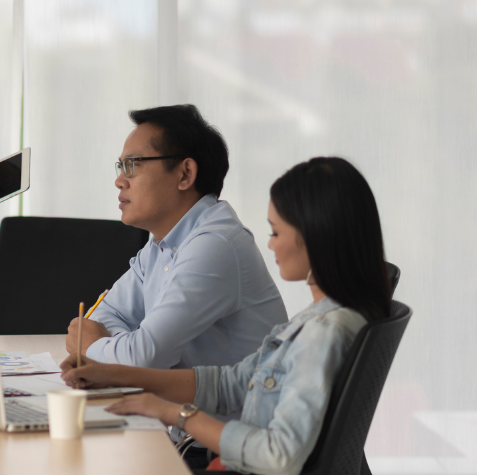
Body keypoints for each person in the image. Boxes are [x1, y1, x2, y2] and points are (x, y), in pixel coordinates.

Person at [62, 157, 394, 475]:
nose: (270, 246)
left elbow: (278, 456)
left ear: (316, 236)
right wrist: (115, 375)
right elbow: (229, 384)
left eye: (276, 233)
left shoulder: (323, 333)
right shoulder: (320, 318)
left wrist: (173, 413)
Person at [67, 104, 287, 369]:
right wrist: (125, 347)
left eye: (132, 165)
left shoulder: (216, 245)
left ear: (185, 174)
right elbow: (107, 316)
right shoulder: (159, 245)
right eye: (120, 166)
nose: (120, 180)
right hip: (177, 406)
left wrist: (93, 346)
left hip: (230, 411)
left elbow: (145, 358)